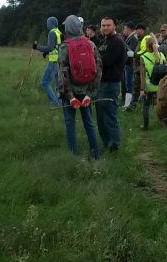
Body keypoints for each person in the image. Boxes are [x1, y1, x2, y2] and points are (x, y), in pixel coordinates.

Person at [57, 16, 103, 158]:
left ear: (67, 28)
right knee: (89, 122)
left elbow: (63, 73)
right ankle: (96, 153)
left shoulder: (64, 47)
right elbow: (99, 68)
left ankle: (72, 155)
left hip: (70, 93)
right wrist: (91, 93)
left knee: (70, 123)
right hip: (86, 91)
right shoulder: (90, 44)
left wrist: (70, 97)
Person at [95, 17, 127, 152]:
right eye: (103, 25)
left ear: (115, 26)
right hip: (101, 83)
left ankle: (114, 146)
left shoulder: (117, 42)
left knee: (109, 116)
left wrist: (93, 60)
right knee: (101, 117)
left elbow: (105, 61)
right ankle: (107, 144)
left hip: (110, 84)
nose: (105, 28)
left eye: (108, 25)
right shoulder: (105, 40)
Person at [135, 33, 165, 131]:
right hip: (161, 85)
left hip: (149, 85)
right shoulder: (161, 55)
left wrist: (142, 90)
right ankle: (163, 122)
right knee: (160, 104)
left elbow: (143, 76)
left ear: (147, 47)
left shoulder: (143, 57)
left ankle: (146, 125)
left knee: (146, 105)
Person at [33, 17, 63, 107]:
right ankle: (60, 102)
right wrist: (46, 52)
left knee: (44, 82)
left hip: (53, 61)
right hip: (60, 60)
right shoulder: (59, 32)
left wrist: (36, 47)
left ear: (51, 23)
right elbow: (55, 46)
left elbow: (50, 47)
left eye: (48, 23)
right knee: (58, 84)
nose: (47, 25)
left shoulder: (52, 33)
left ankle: (55, 102)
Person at [122, 22, 139, 110]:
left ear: (129, 29)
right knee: (128, 83)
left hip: (130, 65)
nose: (124, 31)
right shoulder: (130, 38)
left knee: (129, 84)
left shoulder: (132, 39)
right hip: (128, 64)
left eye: (124, 28)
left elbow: (132, 53)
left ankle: (128, 104)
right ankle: (127, 103)